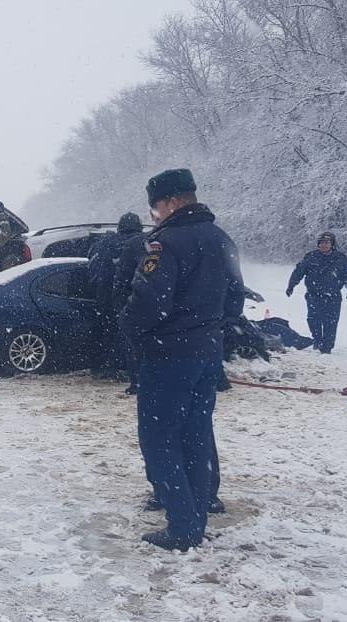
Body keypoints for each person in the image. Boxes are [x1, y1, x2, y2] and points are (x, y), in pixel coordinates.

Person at [121, 168, 244, 552]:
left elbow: (148, 303)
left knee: (159, 439)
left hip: (168, 355)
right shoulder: (222, 239)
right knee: (196, 435)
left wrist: (129, 333)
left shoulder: (165, 244)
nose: (154, 215)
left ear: (172, 202)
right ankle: (199, 509)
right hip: (208, 353)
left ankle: (183, 526)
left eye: (155, 207)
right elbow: (236, 301)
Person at [87, 213, 143, 375]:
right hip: (136, 298)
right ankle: (130, 370)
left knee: (107, 332)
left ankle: (108, 368)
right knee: (132, 336)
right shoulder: (146, 243)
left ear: (119, 227)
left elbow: (93, 270)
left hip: (106, 297)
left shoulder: (105, 244)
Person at [286, 232, 347, 354]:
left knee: (331, 321)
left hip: (333, 296)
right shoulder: (311, 257)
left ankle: (327, 346)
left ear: (332, 245)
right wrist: (291, 285)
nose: (324, 245)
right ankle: (318, 340)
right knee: (313, 319)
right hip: (314, 295)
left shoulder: (340, 258)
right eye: (321, 243)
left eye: (327, 243)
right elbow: (299, 271)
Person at [112, 228, 149, 394]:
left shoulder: (129, 247)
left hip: (135, 304)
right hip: (157, 306)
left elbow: (120, 282)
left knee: (134, 347)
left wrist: (121, 309)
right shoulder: (157, 242)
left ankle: (137, 383)